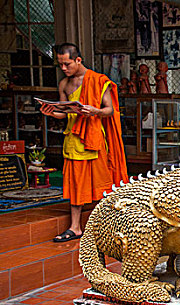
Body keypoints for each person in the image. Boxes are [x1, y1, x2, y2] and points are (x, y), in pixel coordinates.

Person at [40, 43, 128, 242]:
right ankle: (75, 227)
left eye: (67, 64)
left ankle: (108, 226)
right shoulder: (64, 84)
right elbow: (64, 113)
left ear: (78, 60)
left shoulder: (98, 80)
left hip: (94, 139)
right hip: (73, 138)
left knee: (102, 184)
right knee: (76, 184)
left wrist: (95, 111)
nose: (64, 68)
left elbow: (110, 110)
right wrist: (51, 112)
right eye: (60, 65)